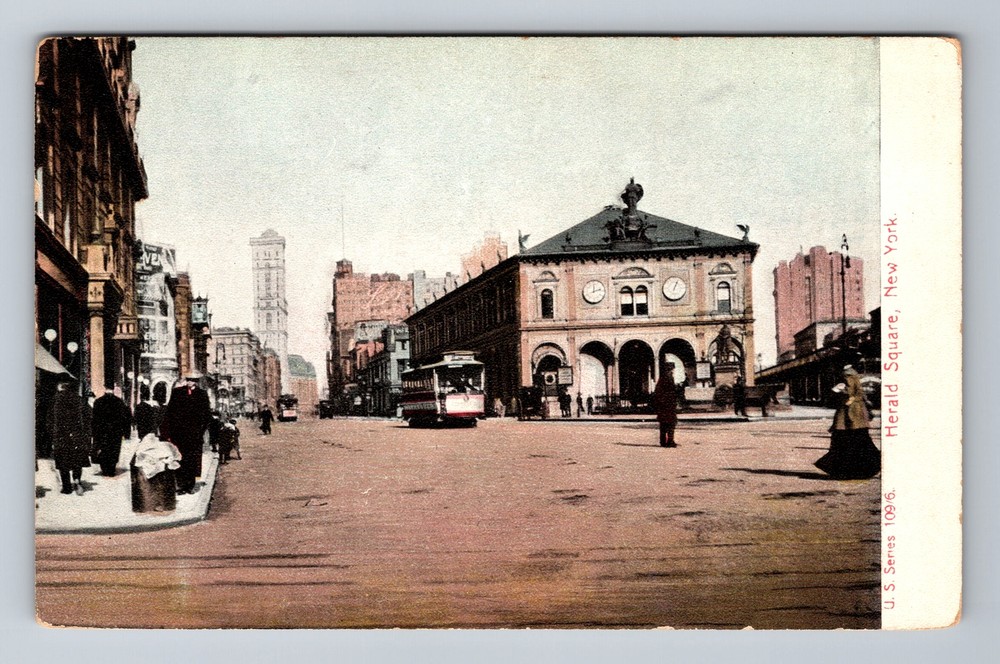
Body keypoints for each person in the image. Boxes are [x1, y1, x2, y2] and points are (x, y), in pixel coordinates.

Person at [814, 366, 881, 479]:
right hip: (857, 414)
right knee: (861, 441)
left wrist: (837, 391)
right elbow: (858, 393)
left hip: (849, 414)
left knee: (844, 442)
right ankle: (864, 468)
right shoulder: (854, 376)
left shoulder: (847, 376)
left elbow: (849, 393)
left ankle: (848, 471)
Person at [160, 379, 212, 494]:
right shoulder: (178, 392)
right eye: (188, 380)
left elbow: (207, 415)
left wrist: (201, 430)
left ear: (196, 382)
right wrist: (168, 431)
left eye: (192, 380)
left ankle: (190, 485)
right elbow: (170, 412)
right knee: (180, 458)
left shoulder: (202, 394)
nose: (189, 382)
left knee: (192, 459)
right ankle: (181, 485)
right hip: (179, 433)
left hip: (194, 435)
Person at [48, 377, 90, 495]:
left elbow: (49, 420)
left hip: (60, 436)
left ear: (60, 385)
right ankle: (77, 479)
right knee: (76, 459)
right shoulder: (79, 400)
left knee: (63, 461)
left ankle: (66, 487)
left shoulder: (55, 400)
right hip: (77, 435)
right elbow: (87, 418)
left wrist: (52, 435)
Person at [91, 383, 132, 477]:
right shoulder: (119, 402)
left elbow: (94, 419)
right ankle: (111, 469)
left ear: (105, 388)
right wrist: (126, 433)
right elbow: (124, 419)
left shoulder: (98, 401)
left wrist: (94, 432)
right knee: (114, 450)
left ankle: (104, 468)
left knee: (104, 449)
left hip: (102, 432)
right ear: (113, 389)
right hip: (115, 432)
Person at [653, 370, 678, 448]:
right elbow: (673, 392)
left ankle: (663, 441)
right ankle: (670, 441)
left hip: (663, 408)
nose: (673, 372)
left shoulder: (661, 381)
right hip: (668, 407)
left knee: (663, 425)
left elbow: (657, 394)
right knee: (671, 425)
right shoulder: (669, 379)